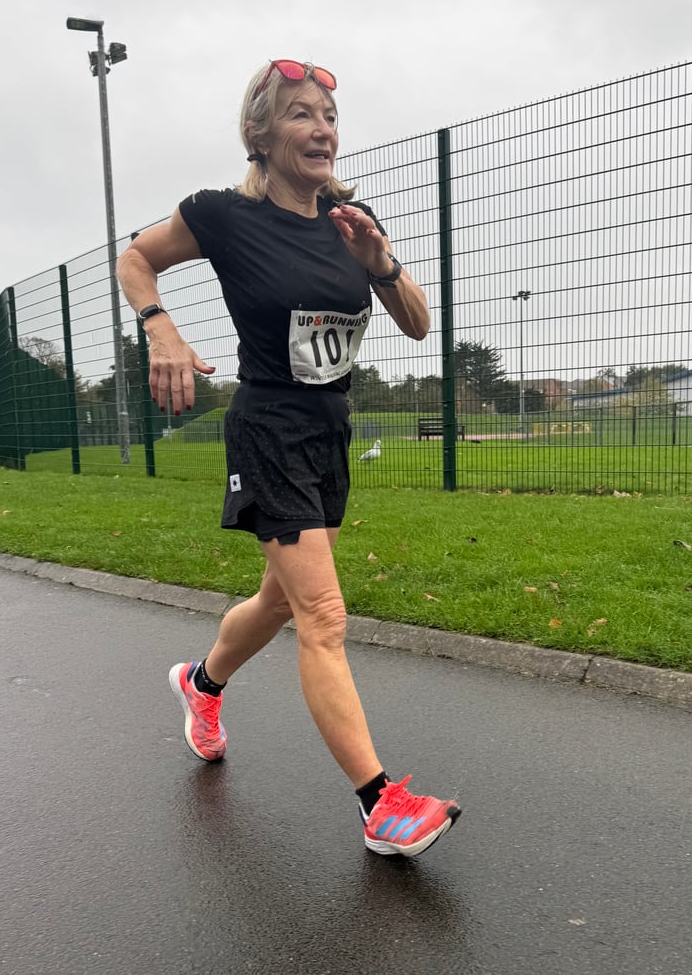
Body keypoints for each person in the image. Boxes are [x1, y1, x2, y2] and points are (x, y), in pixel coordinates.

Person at [116, 58, 461, 857]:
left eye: (330, 117)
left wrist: (381, 260)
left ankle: (200, 686)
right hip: (267, 426)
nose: (323, 130)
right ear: (260, 134)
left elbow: (416, 323)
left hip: (328, 430)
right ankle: (382, 805)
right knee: (323, 615)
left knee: (278, 602)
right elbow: (137, 258)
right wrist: (161, 328)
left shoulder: (350, 218)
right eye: (302, 115)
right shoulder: (221, 214)